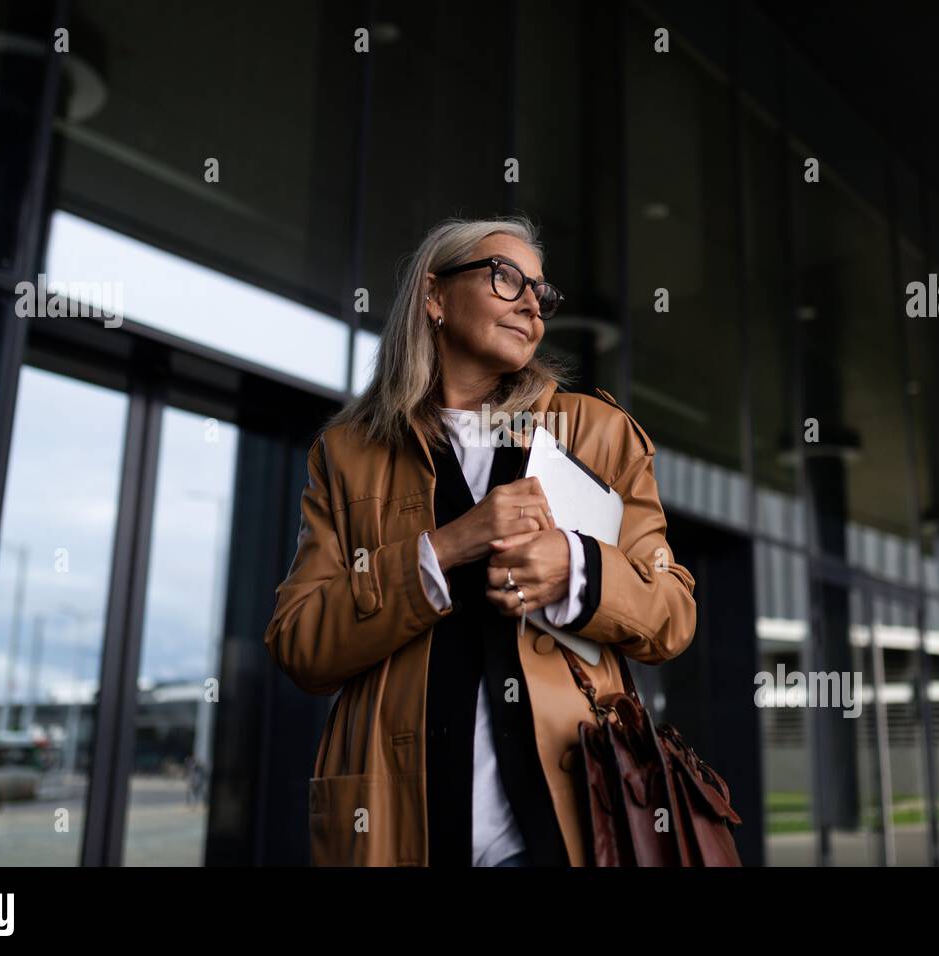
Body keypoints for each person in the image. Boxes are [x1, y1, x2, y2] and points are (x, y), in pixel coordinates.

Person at [263, 214, 697, 866]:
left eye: (542, 294)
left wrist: (576, 567)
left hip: (566, 832)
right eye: (506, 278)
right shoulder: (348, 454)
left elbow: (671, 613)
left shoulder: (599, 433)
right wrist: (442, 551)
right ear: (435, 297)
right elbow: (301, 644)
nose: (532, 305)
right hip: (395, 832)